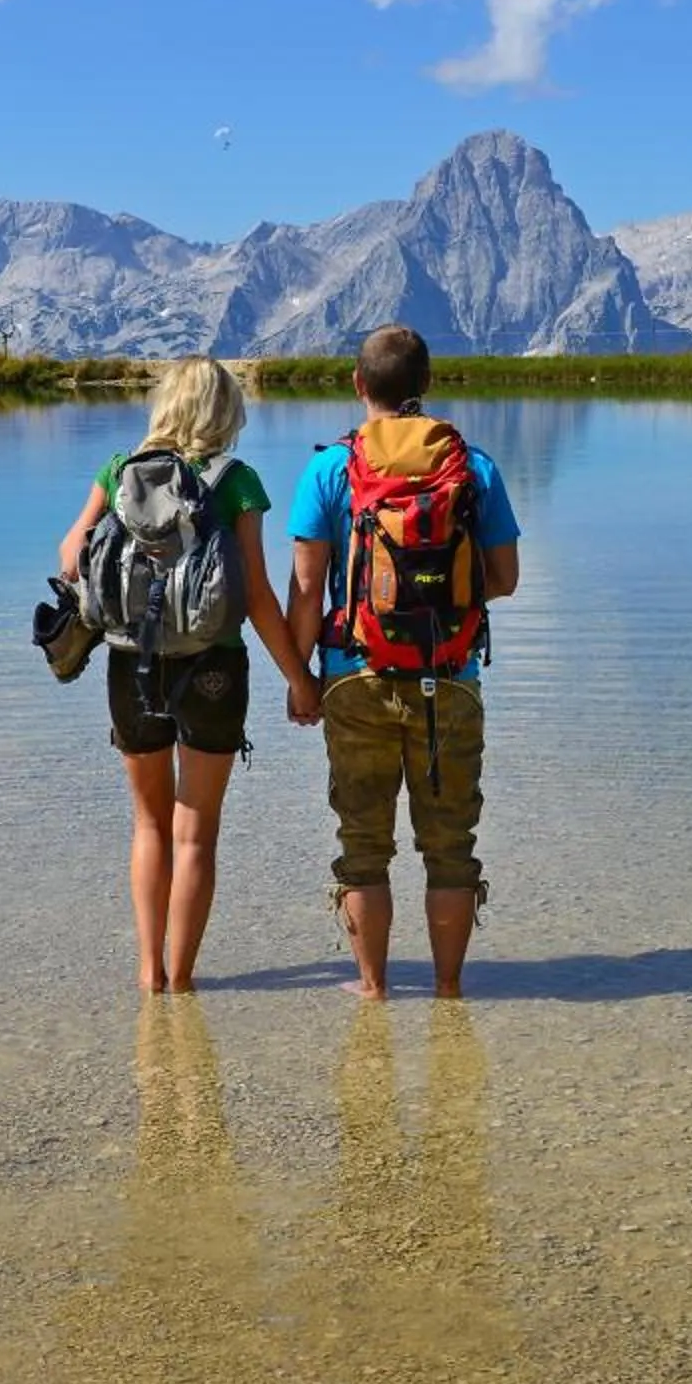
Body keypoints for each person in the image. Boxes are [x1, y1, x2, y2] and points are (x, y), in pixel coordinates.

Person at [60, 358, 317, 993]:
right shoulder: (236, 481)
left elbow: (71, 558)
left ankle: (148, 973)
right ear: (225, 413)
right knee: (195, 831)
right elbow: (256, 595)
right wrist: (300, 678)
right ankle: (184, 980)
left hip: (131, 664)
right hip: (213, 668)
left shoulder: (120, 471)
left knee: (149, 824)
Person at [288, 326, 521, 999]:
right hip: (450, 678)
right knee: (450, 847)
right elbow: (505, 577)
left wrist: (301, 679)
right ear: (426, 385)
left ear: (359, 384)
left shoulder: (330, 469)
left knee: (363, 844)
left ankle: (373, 991)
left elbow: (306, 591)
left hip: (353, 676)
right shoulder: (472, 467)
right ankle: (449, 992)